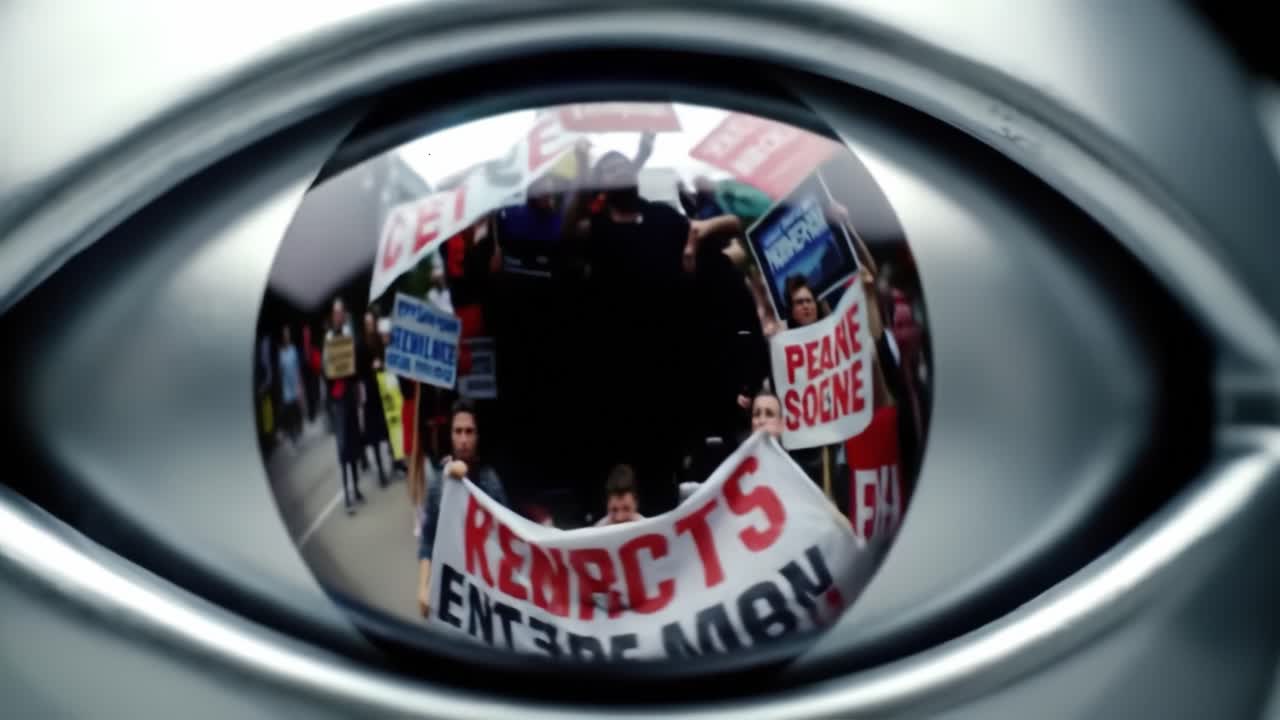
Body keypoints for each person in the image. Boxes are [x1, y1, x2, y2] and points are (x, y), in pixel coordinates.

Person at [561, 136, 743, 514]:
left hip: (668, 377)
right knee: (623, 480)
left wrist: (698, 238)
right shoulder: (596, 230)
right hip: (617, 382)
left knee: (664, 478)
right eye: (608, 169)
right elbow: (566, 231)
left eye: (624, 165)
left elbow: (734, 226)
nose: (619, 171)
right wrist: (582, 171)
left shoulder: (663, 218)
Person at [417, 400, 508, 617]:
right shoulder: (439, 483)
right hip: (451, 591)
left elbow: (509, 537)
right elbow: (428, 539)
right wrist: (423, 587)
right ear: (450, 435)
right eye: (458, 431)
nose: (464, 439)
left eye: (469, 432)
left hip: (486, 592)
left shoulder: (490, 482)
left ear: (478, 436)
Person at [325, 298, 365, 515]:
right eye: (336, 314)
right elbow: (327, 370)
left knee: (354, 442)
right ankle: (347, 494)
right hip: (338, 399)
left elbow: (355, 363)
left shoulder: (349, 336)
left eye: (341, 313)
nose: (338, 317)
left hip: (350, 396)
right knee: (343, 447)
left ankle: (356, 488)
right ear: (333, 317)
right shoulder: (329, 339)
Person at [359, 308, 391, 488]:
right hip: (370, 393)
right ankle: (380, 470)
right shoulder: (362, 344)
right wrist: (372, 368)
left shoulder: (380, 340)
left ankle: (395, 461)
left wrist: (382, 363)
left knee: (389, 428)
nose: (370, 327)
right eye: (368, 324)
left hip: (384, 389)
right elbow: (360, 370)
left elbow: (387, 358)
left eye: (372, 323)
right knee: (375, 435)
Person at [277, 325, 306, 446]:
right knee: (290, 410)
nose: (286, 337)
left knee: (297, 409)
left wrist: (300, 385)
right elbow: (279, 371)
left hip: (295, 384)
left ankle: (298, 429)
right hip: (286, 387)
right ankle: (292, 432)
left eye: (288, 334)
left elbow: (298, 368)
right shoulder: (280, 353)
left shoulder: (293, 349)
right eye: (285, 335)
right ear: (282, 337)